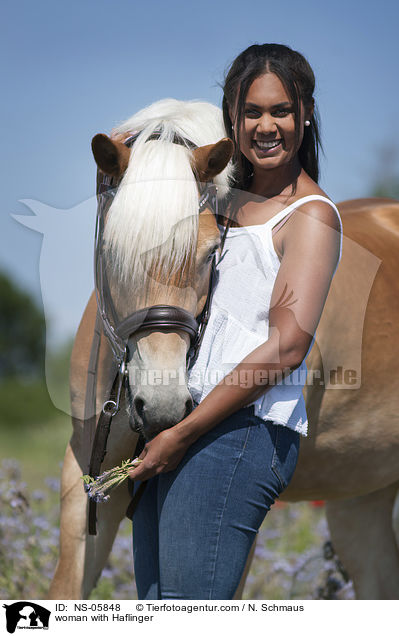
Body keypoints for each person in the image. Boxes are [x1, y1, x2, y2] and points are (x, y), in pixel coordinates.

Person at [128, 43, 342, 600]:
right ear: (231, 119)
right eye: (252, 112)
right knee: (155, 606)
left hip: (239, 433)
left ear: (306, 114)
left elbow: (286, 347)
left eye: (281, 111)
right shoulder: (218, 206)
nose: (266, 126)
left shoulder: (311, 216)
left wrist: (182, 434)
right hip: (185, 427)